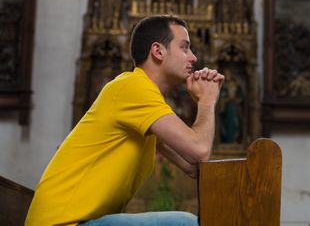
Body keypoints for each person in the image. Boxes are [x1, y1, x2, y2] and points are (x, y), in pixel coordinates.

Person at [25, 15, 224, 226]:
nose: (193, 57)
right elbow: (199, 150)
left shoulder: (147, 103)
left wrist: (203, 102)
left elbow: (194, 167)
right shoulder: (133, 87)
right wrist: (207, 101)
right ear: (158, 51)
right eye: (185, 48)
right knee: (185, 224)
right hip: (62, 223)